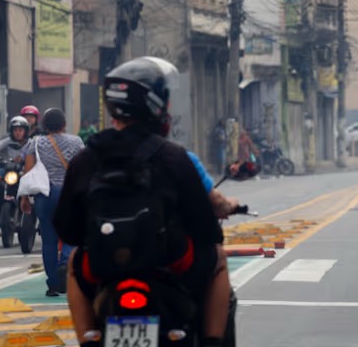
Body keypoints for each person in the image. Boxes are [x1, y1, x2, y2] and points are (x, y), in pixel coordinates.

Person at [53, 57, 230, 347]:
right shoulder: (174, 157)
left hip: (104, 266)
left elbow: (68, 230)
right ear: (156, 105)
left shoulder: (86, 159)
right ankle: (212, 341)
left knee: (74, 263)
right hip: (171, 261)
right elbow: (207, 229)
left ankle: (88, 340)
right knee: (218, 259)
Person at [20, 108, 84, 296]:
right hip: (69, 194)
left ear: (44, 125)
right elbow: (84, 168)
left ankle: (53, 284)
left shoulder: (35, 143)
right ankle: (65, 262)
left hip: (44, 195)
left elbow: (28, 171)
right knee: (72, 234)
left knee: (48, 240)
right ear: (64, 124)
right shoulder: (76, 142)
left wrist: (24, 197)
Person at [0, 116, 30, 231]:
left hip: (24, 170)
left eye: (20, 130)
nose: (18, 133)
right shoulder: (8, 141)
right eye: (15, 130)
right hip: (8, 169)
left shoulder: (30, 143)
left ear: (25, 131)